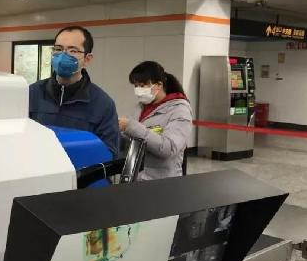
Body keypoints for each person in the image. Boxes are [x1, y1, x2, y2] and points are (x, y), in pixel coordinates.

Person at [29, 26, 119, 157]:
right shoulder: (32, 93)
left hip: (78, 170)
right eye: (58, 49)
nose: (63, 56)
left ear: (87, 59)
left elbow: (108, 154)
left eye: (73, 51)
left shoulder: (103, 104)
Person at [118, 61, 192, 180]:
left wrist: (131, 126)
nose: (138, 89)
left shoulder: (179, 110)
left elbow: (168, 148)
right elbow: (132, 139)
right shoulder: (140, 107)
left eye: (142, 85)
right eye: (136, 86)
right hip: (137, 178)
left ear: (159, 85)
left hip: (162, 183)